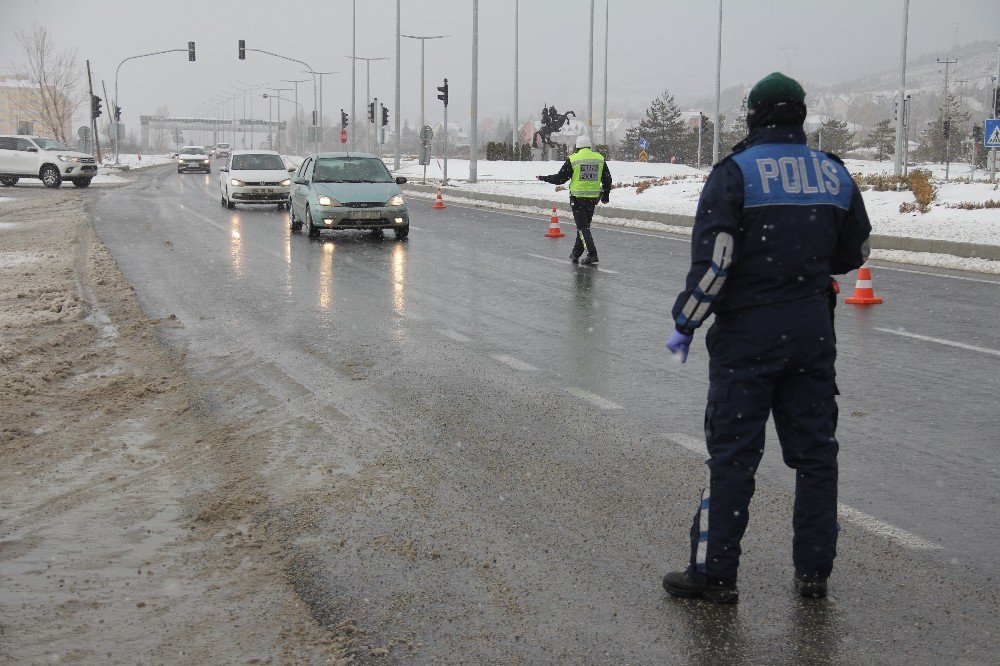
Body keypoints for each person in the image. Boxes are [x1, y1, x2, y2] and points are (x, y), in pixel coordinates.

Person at [662, 72, 872, 603]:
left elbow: (716, 264)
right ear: (801, 115)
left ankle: (715, 574)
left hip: (749, 336)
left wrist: (687, 322)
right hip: (811, 332)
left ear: (753, 116)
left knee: (733, 455)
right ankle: (813, 574)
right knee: (817, 456)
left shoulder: (735, 174)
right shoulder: (833, 173)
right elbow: (854, 252)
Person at [537, 136, 612, 265]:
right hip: (593, 199)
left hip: (577, 198)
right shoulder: (599, 158)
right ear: (589, 146)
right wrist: (606, 195)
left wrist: (544, 178)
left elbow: (560, 179)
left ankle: (592, 254)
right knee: (584, 227)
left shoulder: (574, 159)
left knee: (582, 227)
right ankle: (575, 254)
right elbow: (607, 179)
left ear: (577, 147)